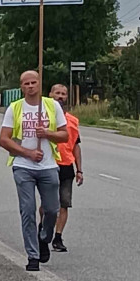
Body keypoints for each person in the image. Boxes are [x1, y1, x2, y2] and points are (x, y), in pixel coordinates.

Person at [0, 70, 69, 272]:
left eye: (33, 82)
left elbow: (65, 136)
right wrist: (27, 153)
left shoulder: (51, 105)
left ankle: (44, 236)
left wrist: (47, 133)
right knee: (28, 210)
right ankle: (33, 255)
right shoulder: (15, 108)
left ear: (39, 84)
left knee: (52, 209)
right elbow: (3, 139)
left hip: (48, 165)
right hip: (24, 166)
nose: (30, 86)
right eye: (26, 83)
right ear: (21, 87)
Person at [48, 83, 83, 253]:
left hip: (66, 166)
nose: (60, 96)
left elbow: (76, 145)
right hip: (48, 164)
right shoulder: (44, 117)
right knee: (48, 205)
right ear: (50, 95)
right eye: (57, 93)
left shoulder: (73, 121)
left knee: (64, 203)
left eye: (63, 94)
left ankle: (58, 237)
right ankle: (44, 226)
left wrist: (79, 169)